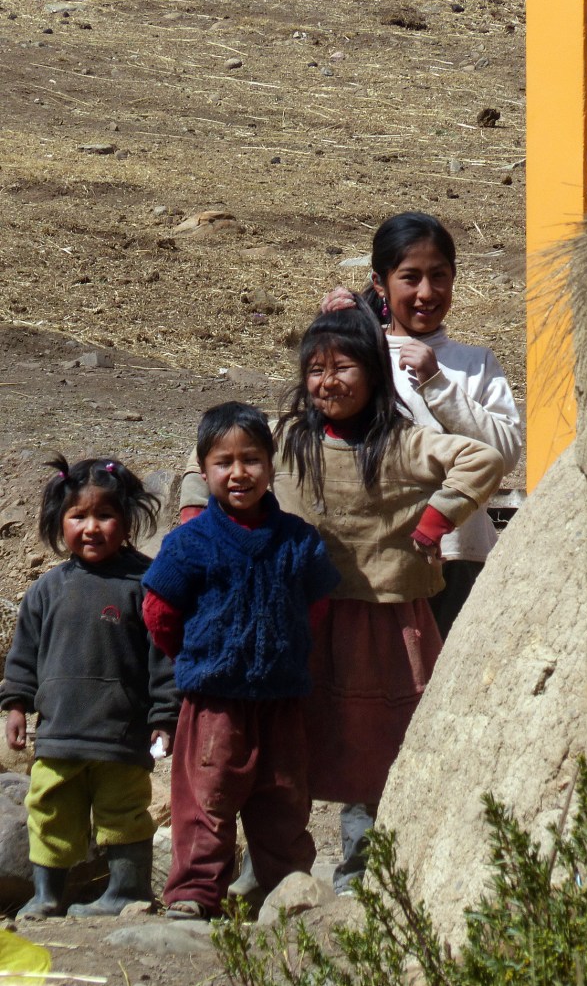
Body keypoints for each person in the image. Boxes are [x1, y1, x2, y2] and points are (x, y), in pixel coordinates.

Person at [179, 303, 504, 894]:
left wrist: (436, 519)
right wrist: (196, 517)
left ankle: (366, 868)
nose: (328, 382)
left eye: (344, 367)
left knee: (382, 745)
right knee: (286, 745)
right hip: (298, 621)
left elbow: (484, 458)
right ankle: (270, 871)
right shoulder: (291, 440)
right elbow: (212, 459)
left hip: (384, 621)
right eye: (316, 369)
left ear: (376, 373)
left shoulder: (404, 442)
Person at [142, 402, 341, 920]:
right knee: (206, 801)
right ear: (203, 471)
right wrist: (197, 657)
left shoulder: (299, 541)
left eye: (251, 459)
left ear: (272, 466)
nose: (238, 473)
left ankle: (287, 894)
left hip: (282, 701)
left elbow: (315, 609)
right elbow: (159, 612)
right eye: (223, 462)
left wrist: (281, 649)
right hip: (215, 702)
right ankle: (193, 895)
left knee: (284, 800)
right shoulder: (189, 543)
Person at [321, 210, 522, 639]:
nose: (426, 292)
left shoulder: (475, 364)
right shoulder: (359, 354)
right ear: (380, 282)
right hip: (374, 555)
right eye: (410, 277)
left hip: (459, 554)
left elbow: (503, 456)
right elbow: (323, 432)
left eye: (439, 276)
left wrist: (438, 384)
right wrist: (333, 335)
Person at [0, 456, 179, 919]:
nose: (92, 527)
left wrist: (164, 717)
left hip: (121, 734)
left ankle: (127, 890)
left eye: (105, 515)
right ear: (60, 522)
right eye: (79, 516)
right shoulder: (47, 590)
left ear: (128, 520)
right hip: (59, 733)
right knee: (51, 810)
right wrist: (16, 704)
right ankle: (47, 894)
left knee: (124, 812)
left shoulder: (145, 584)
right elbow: (23, 657)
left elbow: (164, 658)